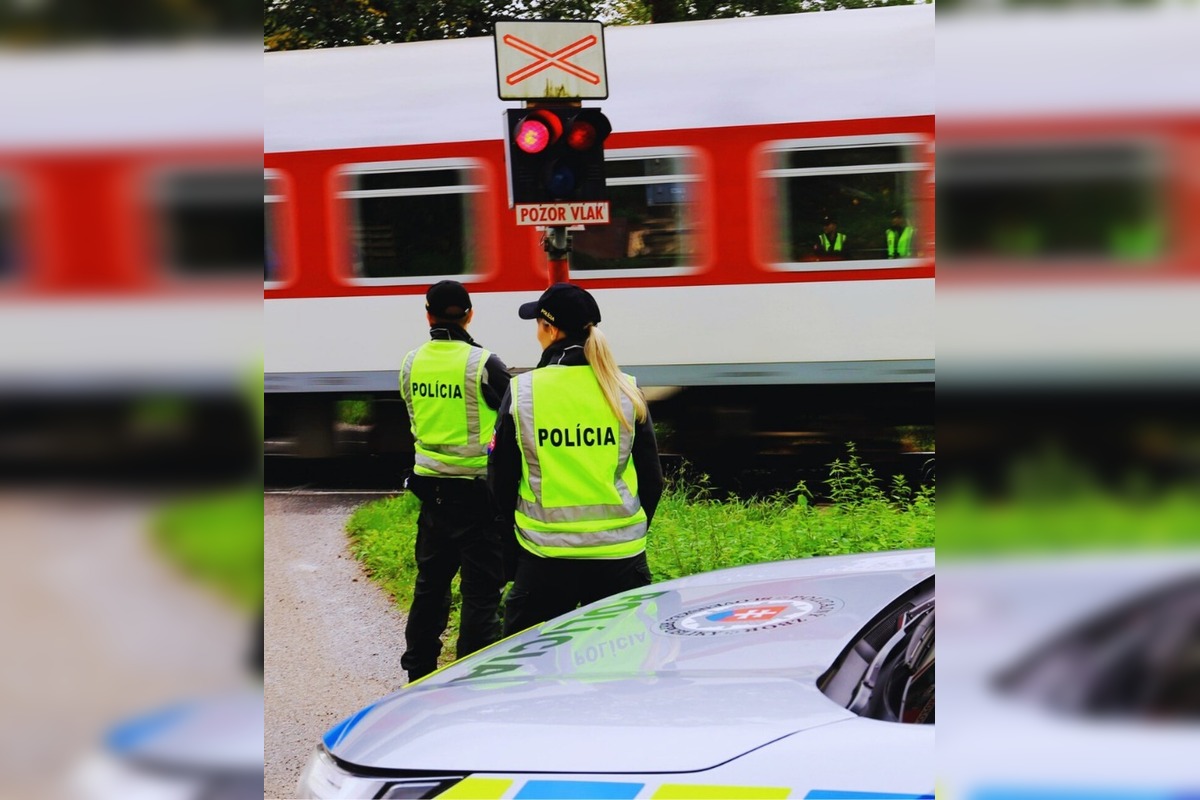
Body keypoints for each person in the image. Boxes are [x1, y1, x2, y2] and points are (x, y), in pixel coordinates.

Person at [488, 283, 664, 635]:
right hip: (620, 561)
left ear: (550, 329)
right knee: (627, 668)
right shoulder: (626, 389)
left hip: (545, 561)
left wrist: (512, 556)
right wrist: (627, 532)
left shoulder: (524, 391)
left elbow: (500, 482)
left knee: (529, 671)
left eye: (537, 324)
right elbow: (653, 479)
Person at [398, 280, 511, 682]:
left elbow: (413, 418)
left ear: (427, 314)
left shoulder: (412, 363)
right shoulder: (483, 363)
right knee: (480, 594)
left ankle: (419, 674)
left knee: (430, 587)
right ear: (469, 315)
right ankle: (472, 679)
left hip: (432, 495)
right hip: (478, 497)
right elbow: (513, 417)